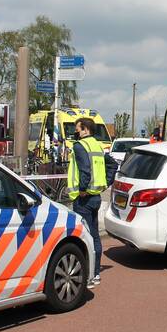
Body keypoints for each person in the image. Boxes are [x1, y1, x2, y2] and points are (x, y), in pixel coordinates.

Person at [67, 117, 117, 287]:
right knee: (95, 235)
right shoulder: (97, 145)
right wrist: (106, 183)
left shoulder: (80, 146)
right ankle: (95, 273)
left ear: (86, 130)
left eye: (78, 129)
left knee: (84, 237)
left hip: (84, 199)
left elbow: (85, 171)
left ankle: (88, 275)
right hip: (95, 197)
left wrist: (82, 189)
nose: (76, 132)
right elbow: (112, 165)